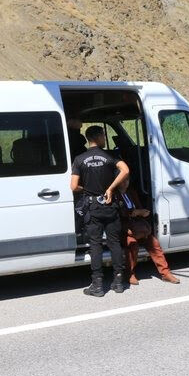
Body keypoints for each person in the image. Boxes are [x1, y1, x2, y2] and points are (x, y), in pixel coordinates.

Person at [71, 126, 130, 297]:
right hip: (110, 205)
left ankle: (97, 285)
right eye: (104, 135)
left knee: (95, 245)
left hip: (93, 207)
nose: (105, 138)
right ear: (98, 137)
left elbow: (74, 186)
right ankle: (118, 282)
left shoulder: (80, 159)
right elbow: (125, 170)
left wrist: (87, 188)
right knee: (114, 243)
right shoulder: (110, 156)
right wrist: (111, 188)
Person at [120, 184, 180, 285]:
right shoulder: (114, 194)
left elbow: (139, 208)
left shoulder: (131, 192)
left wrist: (142, 212)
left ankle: (165, 273)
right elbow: (118, 213)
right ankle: (130, 273)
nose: (126, 182)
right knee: (132, 243)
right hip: (124, 228)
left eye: (127, 179)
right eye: (124, 179)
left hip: (137, 226)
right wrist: (134, 213)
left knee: (154, 243)